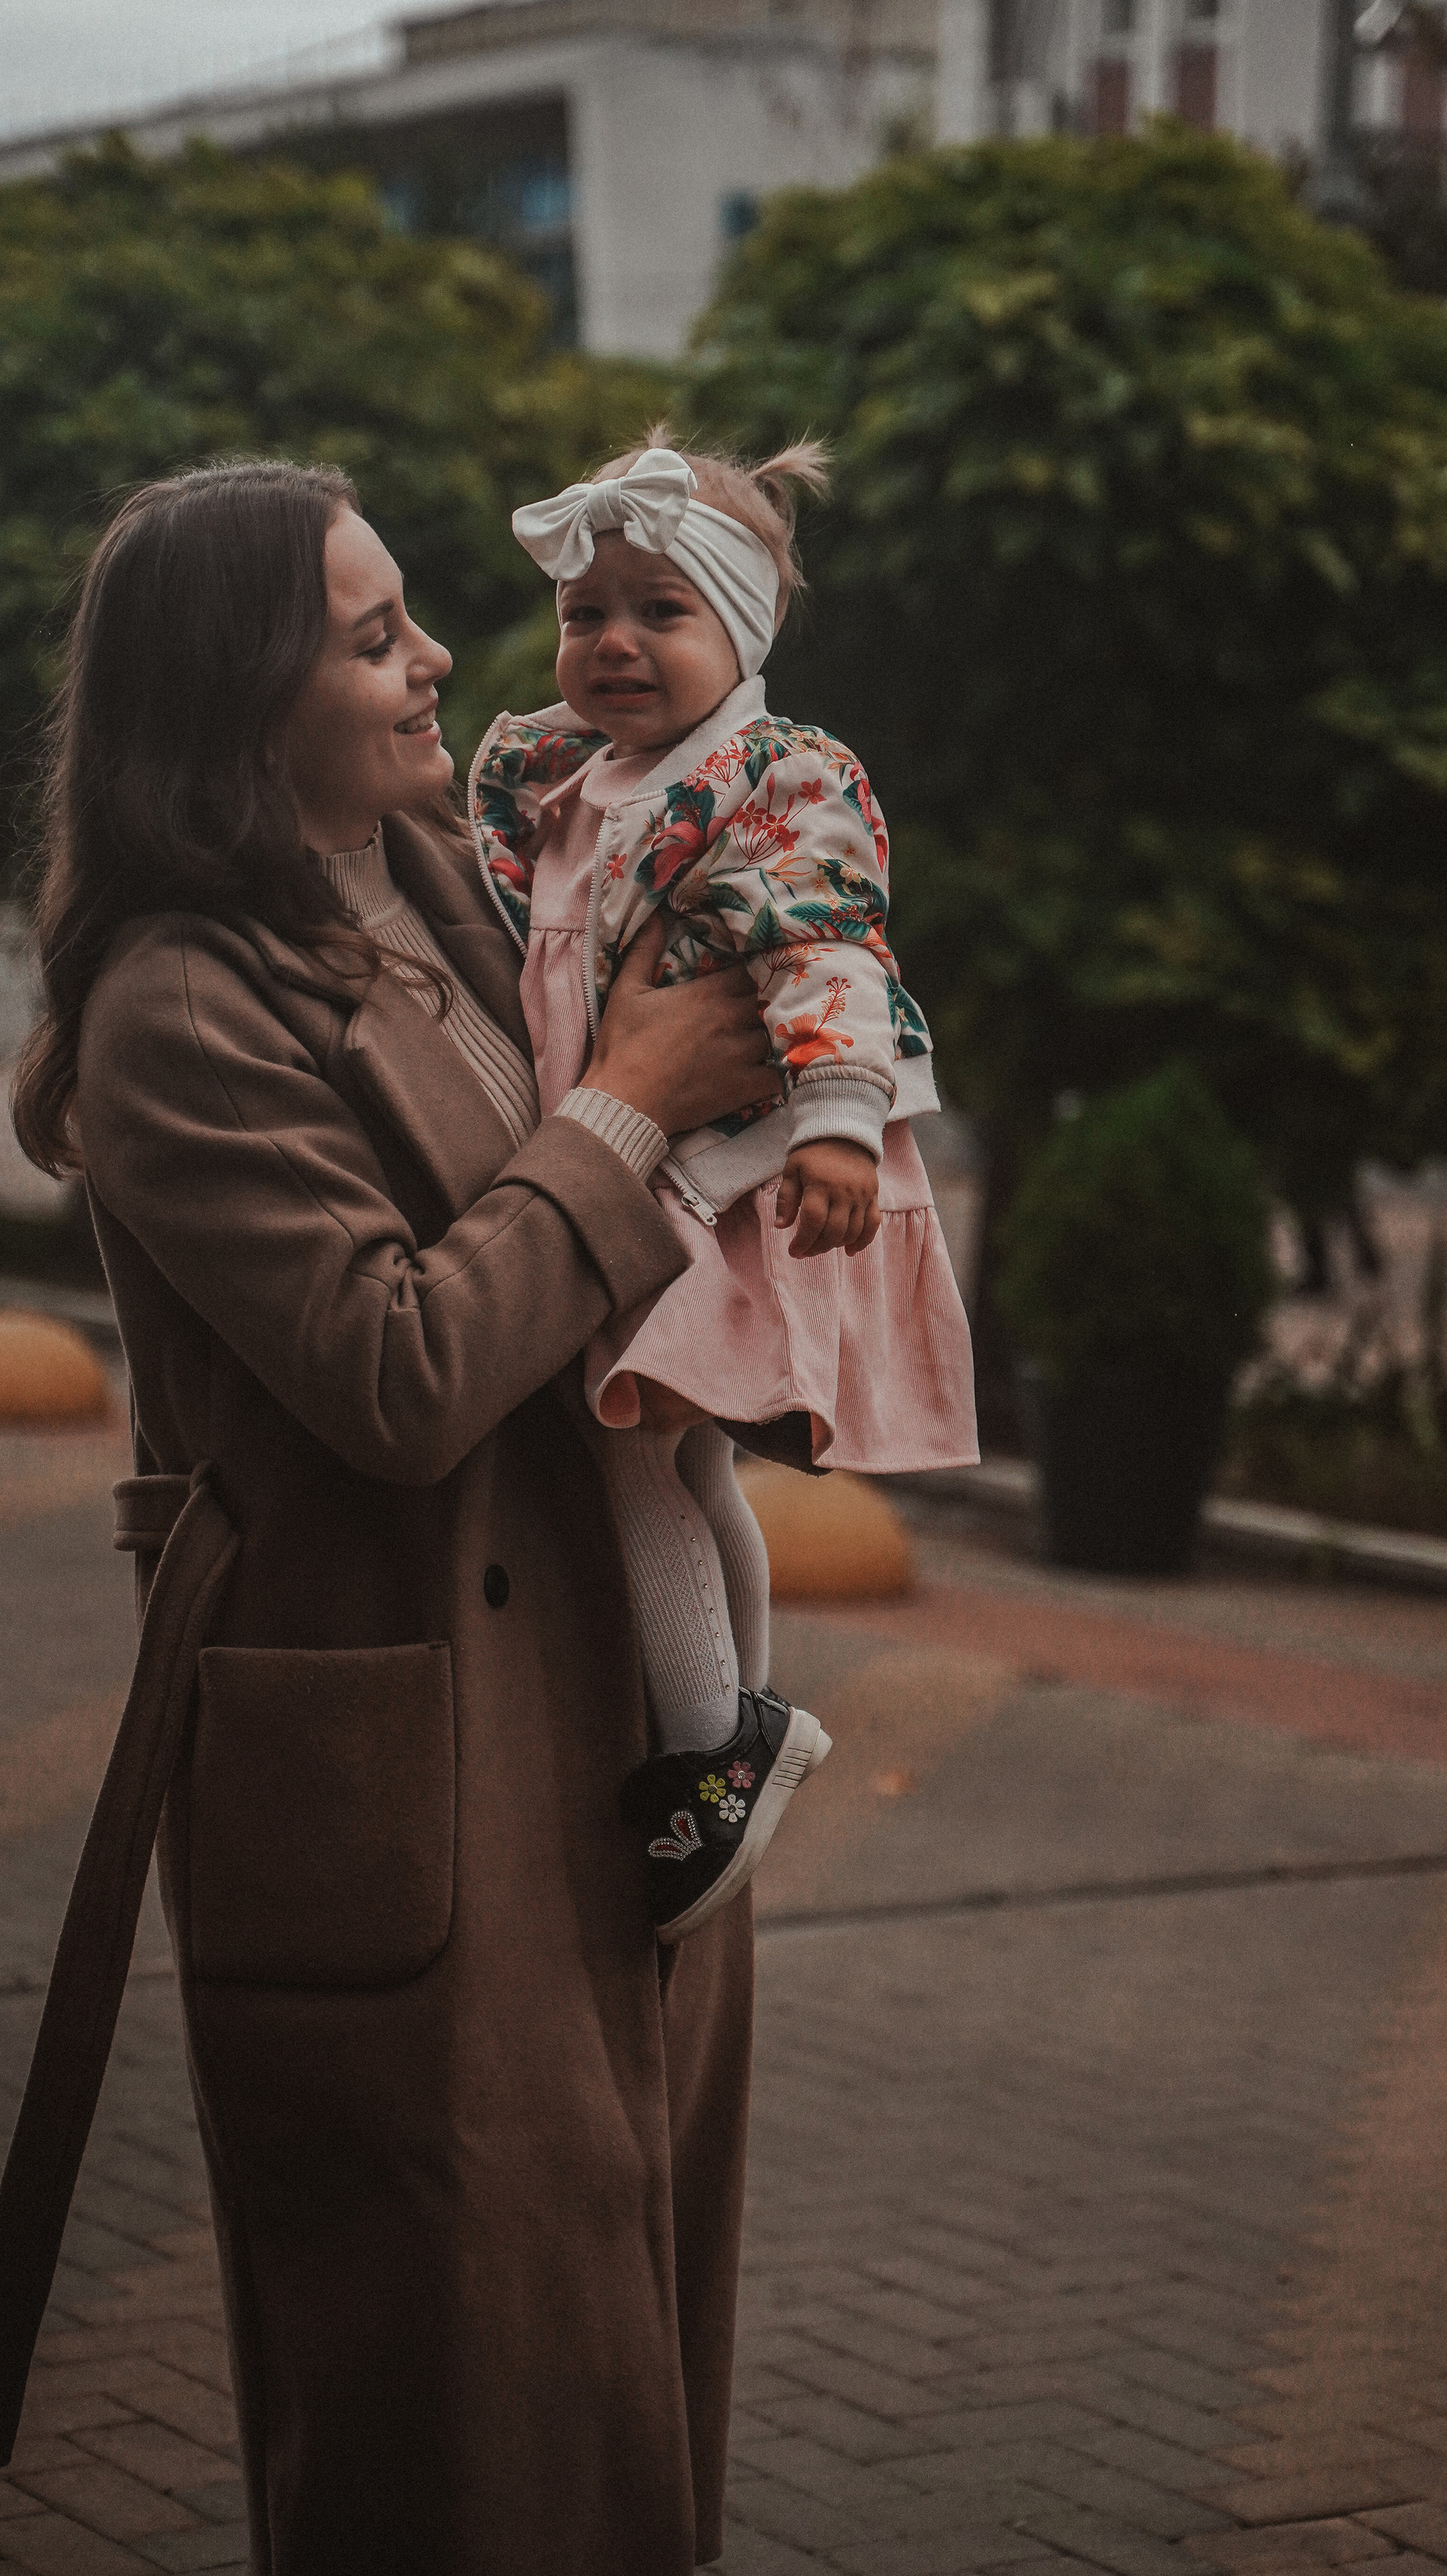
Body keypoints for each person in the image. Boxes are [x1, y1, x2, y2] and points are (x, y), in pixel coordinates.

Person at [0, 458, 778, 2575]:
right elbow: (400, 1371)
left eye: (412, 616)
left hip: (626, 1726)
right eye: (371, 633)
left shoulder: (434, 874)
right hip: (401, 1765)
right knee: (457, 2411)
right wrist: (631, 1110)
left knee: (625, 2351)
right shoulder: (175, 1010)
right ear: (241, 699)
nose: (432, 664)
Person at [470, 430, 978, 1939]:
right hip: (618, 1158)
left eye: (661, 612)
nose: (613, 643)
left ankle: (707, 1756)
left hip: (722, 1174)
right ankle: (742, 1727)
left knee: (632, 1449)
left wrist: (834, 1116)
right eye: (586, 614)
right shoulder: (559, 778)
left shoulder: (771, 776)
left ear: (740, 632)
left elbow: (829, 945)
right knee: (683, 1462)